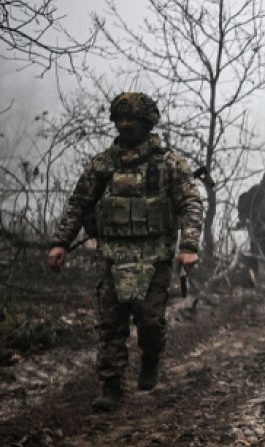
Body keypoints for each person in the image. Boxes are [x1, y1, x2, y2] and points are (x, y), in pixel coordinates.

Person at [47, 92, 203, 412]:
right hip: (111, 252)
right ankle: (111, 385)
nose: (124, 124)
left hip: (155, 253)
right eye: (120, 119)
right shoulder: (104, 163)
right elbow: (79, 204)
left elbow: (190, 203)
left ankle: (151, 357)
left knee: (150, 320)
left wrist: (188, 245)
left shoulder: (168, 162)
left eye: (131, 119)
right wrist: (60, 242)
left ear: (147, 123)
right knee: (110, 323)